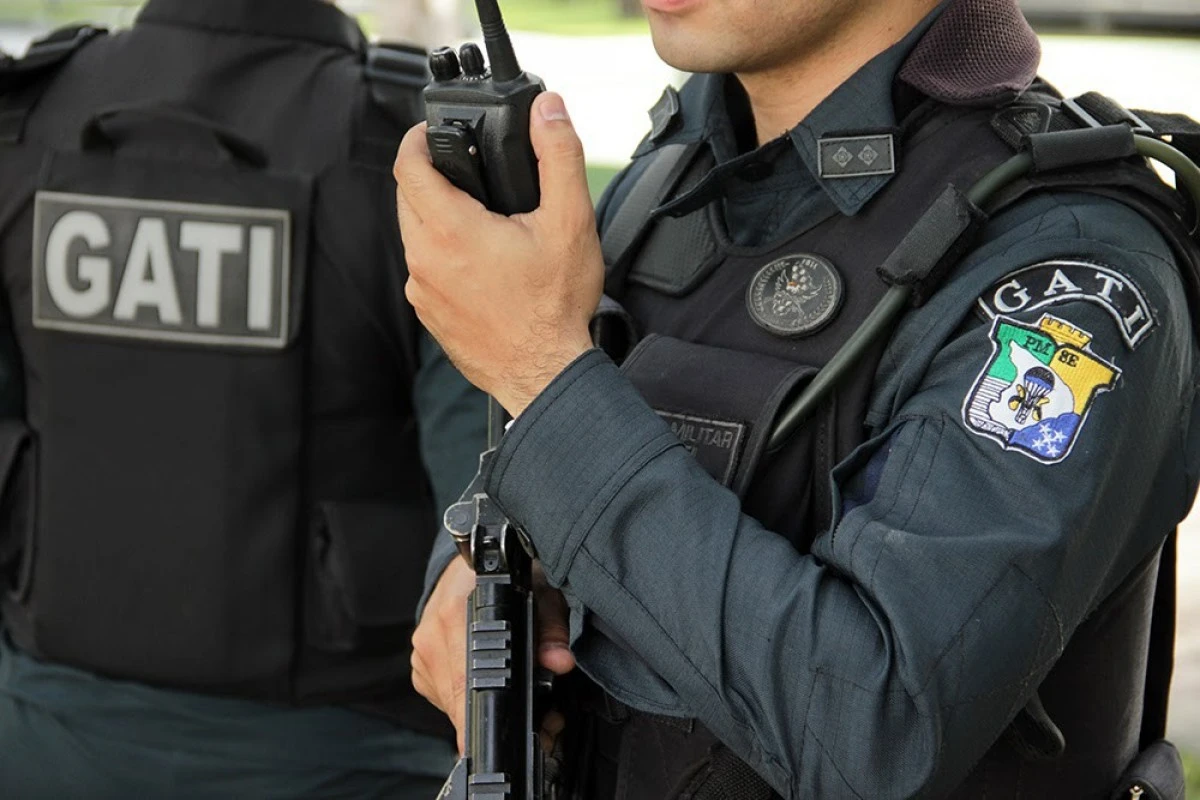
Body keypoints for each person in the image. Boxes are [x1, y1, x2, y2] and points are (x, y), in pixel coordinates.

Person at [400, 0, 1200, 796]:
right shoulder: (670, 174)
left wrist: (542, 375)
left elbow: (878, 731)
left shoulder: (1069, 270)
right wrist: (475, 563)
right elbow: (528, 461)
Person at [0, 0, 487, 797]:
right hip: (345, 754)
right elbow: (491, 502)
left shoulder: (25, 119)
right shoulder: (408, 151)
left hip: (38, 739)